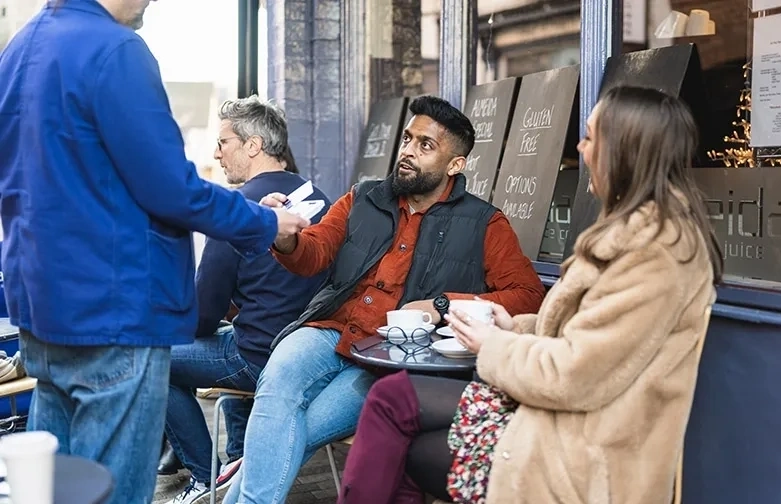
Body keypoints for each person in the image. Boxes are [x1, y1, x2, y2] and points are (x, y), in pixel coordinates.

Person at [338, 85, 724, 504]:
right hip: (557, 415)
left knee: (403, 442)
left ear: (626, 152)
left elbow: (577, 375)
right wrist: (517, 326)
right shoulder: (638, 236)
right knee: (393, 399)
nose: (579, 147)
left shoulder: (655, 254)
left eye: (592, 136)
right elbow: (593, 337)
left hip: (582, 450)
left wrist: (495, 345)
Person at [0, 2, 309, 504]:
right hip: (114, 312)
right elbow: (172, 189)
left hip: (42, 310)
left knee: (53, 490)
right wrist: (264, 221)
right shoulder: (116, 50)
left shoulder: (18, 50)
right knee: (114, 491)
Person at [223, 95, 546, 504]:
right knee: (277, 384)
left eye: (425, 145)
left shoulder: (485, 223)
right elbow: (313, 253)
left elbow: (528, 296)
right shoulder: (364, 197)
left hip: (389, 357)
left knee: (291, 430)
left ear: (455, 165)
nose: (408, 151)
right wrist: (285, 238)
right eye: (408, 139)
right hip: (328, 329)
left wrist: (442, 305)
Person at [163, 96, 332, 504]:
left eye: (223, 143)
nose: (216, 153)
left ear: (253, 145)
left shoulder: (236, 211)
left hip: (258, 357)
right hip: (310, 357)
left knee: (154, 357)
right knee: (231, 335)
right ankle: (241, 456)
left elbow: (204, 314)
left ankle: (207, 477)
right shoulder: (324, 199)